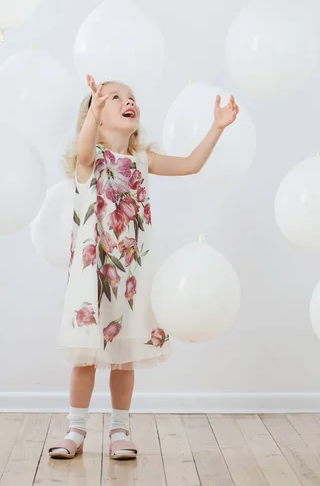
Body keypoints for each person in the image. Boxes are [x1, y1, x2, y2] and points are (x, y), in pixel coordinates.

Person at [49, 75, 239, 460]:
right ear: (97, 116)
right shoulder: (90, 161)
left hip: (130, 277)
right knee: (86, 356)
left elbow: (190, 165)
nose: (126, 101)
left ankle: (120, 429)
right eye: (114, 98)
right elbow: (84, 149)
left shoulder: (140, 160)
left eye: (130, 97)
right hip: (93, 276)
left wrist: (216, 128)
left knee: (125, 357)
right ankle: (76, 428)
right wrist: (93, 108)